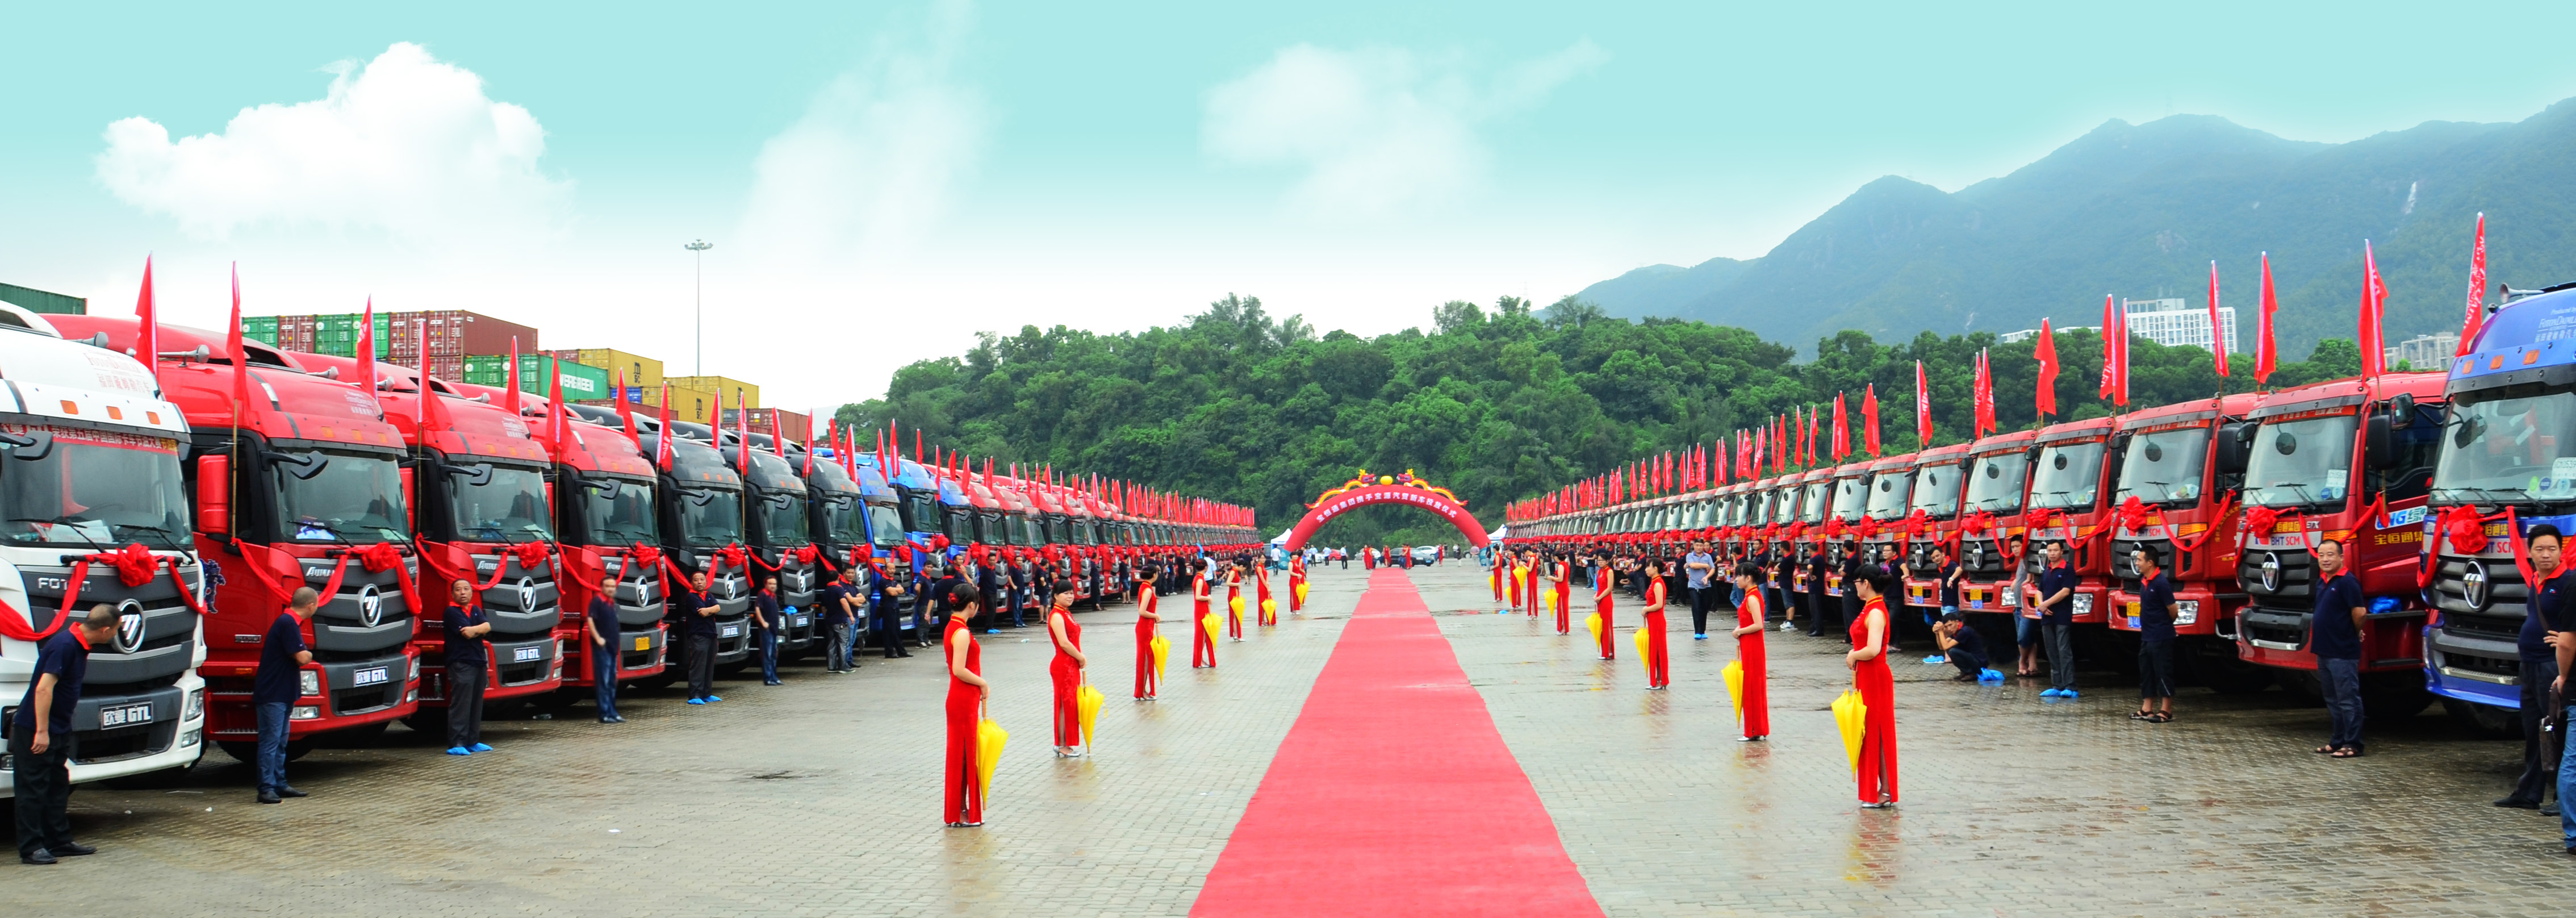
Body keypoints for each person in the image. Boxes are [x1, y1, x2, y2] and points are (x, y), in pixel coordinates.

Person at [12, 604, 115, 863]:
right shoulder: (65, 646)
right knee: (32, 789)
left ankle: (58, 841)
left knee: (57, 785)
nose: (114, 635)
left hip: (59, 727)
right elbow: (43, 690)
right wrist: (42, 731)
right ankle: (31, 848)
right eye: (115, 631)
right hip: (37, 728)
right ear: (105, 630)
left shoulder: (79, 646)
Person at [2500, 524, 2570, 810]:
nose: (2546, 555)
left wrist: (2564, 641)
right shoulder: (2535, 579)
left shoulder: (2568, 582)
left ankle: (2562, 797)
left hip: (2550, 665)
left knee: (2558, 730)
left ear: (2560, 551)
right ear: (2529, 552)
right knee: (2533, 729)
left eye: (2552, 549)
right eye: (2540, 549)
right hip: (2529, 665)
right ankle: (2529, 791)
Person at [250, 589, 318, 805]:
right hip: (274, 694)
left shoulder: (288, 622)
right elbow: (302, 658)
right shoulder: (288, 623)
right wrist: (309, 653)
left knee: (280, 741)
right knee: (271, 742)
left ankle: (279, 783)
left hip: (282, 692)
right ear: (311, 605)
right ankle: (266, 788)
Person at [2307, 537, 2367, 757]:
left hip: (2342, 651)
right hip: (2324, 651)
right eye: (2321, 555)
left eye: (2331, 555)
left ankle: (2354, 744)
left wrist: (2353, 631)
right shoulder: (2322, 581)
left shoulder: (2347, 582)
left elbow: (2360, 612)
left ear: (2342, 557)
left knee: (2348, 699)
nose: (2325, 559)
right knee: (2332, 699)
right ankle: (2338, 740)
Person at [1847, 563, 1900, 808]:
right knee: (1868, 732)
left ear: (1866, 583)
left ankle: (1886, 791)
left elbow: (1874, 649)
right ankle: (1877, 788)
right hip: (1866, 676)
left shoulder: (1876, 611)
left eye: (1857, 582)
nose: (1855, 586)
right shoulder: (1869, 609)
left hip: (1876, 676)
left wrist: (1854, 655)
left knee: (1878, 733)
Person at [941, 582, 990, 827]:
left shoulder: (954, 626)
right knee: (964, 755)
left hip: (962, 698)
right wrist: (982, 683)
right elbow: (959, 670)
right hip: (962, 697)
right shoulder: (960, 632)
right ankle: (960, 811)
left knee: (963, 755)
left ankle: (960, 809)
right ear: (972, 605)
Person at [443, 579, 495, 756]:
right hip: (461, 663)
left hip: (479, 661)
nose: (463, 592)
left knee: (476, 702)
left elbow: (487, 627)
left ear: (472, 592)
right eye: (458, 590)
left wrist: (477, 629)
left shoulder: (475, 610)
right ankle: (457, 742)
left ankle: (473, 741)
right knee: (461, 704)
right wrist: (478, 629)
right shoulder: (451, 612)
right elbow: (466, 633)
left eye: (466, 589)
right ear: (453, 594)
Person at [2131, 547, 2178, 723]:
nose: (2137, 563)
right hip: (2147, 636)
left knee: (2163, 672)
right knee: (2147, 672)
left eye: (2140, 560)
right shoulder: (2145, 581)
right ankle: (2147, 709)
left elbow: (2173, 610)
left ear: (2150, 563)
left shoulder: (2160, 583)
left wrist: (2163, 626)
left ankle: (2166, 711)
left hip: (2161, 636)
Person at [2033, 542, 2081, 699]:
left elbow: (2066, 592)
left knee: (2063, 650)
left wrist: (2046, 604)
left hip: (2062, 616)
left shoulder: (2068, 569)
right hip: (2047, 617)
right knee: (2051, 651)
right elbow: (2039, 590)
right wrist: (2041, 605)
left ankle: (2070, 686)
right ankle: (2057, 685)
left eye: (2055, 550)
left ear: (2062, 552)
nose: (2052, 553)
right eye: (2050, 551)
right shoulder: (2047, 570)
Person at [1729, 562, 1771, 741]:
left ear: (1748, 578)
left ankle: (1753, 730)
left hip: (1753, 646)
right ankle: (1757, 727)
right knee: (1753, 687)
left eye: (1739, 576)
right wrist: (1740, 628)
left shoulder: (1753, 597)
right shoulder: (1750, 596)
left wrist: (1740, 631)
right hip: (1749, 645)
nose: (1737, 579)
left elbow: (1758, 625)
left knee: (1752, 687)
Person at [1047, 581, 1088, 757]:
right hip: (1064, 665)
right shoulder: (1057, 615)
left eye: (1072, 593)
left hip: (1071, 666)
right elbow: (1064, 643)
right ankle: (1061, 744)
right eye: (1066, 593)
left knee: (1070, 705)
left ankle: (1066, 742)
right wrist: (1080, 657)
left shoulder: (1066, 613)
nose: (1070, 596)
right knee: (1064, 706)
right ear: (1056, 596)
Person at [584, 573, 624, 723]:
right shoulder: (597, 602)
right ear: (602, 588)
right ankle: (604, 714)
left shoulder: (611, 603)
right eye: (608, 586)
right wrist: (598, 639)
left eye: (613, 587)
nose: (610, 589)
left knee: (612, 682)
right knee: (604, 682)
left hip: (613, 648)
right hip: (602, 649)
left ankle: (613, 712)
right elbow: (590, 620)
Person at [681, 571, 722, 705]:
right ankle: (695, 695)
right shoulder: (691, 597)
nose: (699, 582)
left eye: (702, 580)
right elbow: (703, 613)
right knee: (698, 666)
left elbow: (718, 608)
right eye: (696, 580)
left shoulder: (709, 595)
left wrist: (710, 610)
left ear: (706, 582)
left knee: (709, 665)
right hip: (698, 636)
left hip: (711, 635)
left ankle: (707, 694)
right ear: (692, 583)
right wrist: (712, 610)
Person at [1640, 557, 1671, 690]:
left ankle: (1661, 680)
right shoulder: (1654, 582)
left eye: (1648, 567)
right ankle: (1657, 679)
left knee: (1659, 650)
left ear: (1655, 569)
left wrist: (1646, 609)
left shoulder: (1658, 584)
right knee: (1654, 650)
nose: (1646, 569)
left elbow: (1659, 605)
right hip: (1652, 620)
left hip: (1657, 620)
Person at [873, 562, 913, 659]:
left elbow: (902, 590)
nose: (892, 571)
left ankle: (901, 651)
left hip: (895, 606)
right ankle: (889, 652)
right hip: (888, 608)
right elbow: (892, 592)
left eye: (894, 569)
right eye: (890, 569)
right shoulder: (883, 580)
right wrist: (896, 590)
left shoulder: (893, 580)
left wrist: (895, 590)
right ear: (885, 570)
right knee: (889, 631)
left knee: (897, 630)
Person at [1134, 565, 1161, 699]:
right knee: (1145, 659)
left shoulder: (1144, 587)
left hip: (1146, 627)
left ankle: (1142, 690)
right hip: (1145, 627)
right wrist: (1155, 615)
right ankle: (1142, 691)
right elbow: (1142, 611)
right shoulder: (1148, 590)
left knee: (1145, 658)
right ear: (1154, 575)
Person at [1934, 611, 1988, 682]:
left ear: (1957, 622)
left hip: (1980, 663)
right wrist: (1937, 634)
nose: (1949, 629)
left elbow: (1945, 647)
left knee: (1953, 651)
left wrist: (1941, 632)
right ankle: (1966, 672)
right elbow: (1942, 647)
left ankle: (1972, 673)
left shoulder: (1965, 631)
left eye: (1950, 625)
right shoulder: (1956, 633)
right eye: (1946, 627)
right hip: (1972, 660)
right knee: (1950, 650)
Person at [821, 567, 856, 673]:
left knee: (831, 644)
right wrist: (850, 615)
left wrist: (825, 617)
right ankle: (843, 666)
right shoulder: (839, 589)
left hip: (829, 620)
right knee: (843, 643)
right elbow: (844, 602)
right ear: (838, 578)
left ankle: (832, 667)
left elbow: (823, 608)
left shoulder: (826, 591)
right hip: (840, 620)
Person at [751, 575, 784, 686]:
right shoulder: (763, 594)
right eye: (770, 584)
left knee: (774, 654)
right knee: (767, 654)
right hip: (767, 629)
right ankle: (768, 678)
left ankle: (774, 677)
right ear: (766, 584)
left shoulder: (773, 596)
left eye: (774, 584)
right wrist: (763, 622)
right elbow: (757, 609)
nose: (773, 586)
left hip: (774, 629)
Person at [1685, 539, 1717, 639]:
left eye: (1701, 546)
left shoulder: (1708, 557)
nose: (1699, 547)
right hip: (1693, 586)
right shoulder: (1690, 556)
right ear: (1694, 546)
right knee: (1697, 608)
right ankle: (1697, 631)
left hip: (1706, 587)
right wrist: (1705, 565)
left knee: (1704, 609)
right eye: (1697, 545)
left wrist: (1707, 577)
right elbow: (1693, 565)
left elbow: (1713, 569)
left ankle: (1703, 631)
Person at [1191, 558, 1217, 669]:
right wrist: (1208, 597)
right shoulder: (1200, 580)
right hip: (1201, 609)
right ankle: (1199, 660)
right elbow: (1198, 596)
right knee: (1202, 635)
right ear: (1206, 567)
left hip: (1202, 608)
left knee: (1203, 635)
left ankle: (1200, 659)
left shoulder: (1198, 578)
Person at [1592, 550, 1617, 660]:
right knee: (1602, 626)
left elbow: (1609, 588)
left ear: (1607, 561)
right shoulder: (1600, 572)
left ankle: (1608, 652)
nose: (1600, 562)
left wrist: (1600, 597)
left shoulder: (1609, 571)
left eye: (1602, 561)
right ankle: (1606, 651)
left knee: (1607, 626)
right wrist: (1596, 595)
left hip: (1606, 600)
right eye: (1599, 561)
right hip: (1600, 599)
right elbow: (1599, 587)